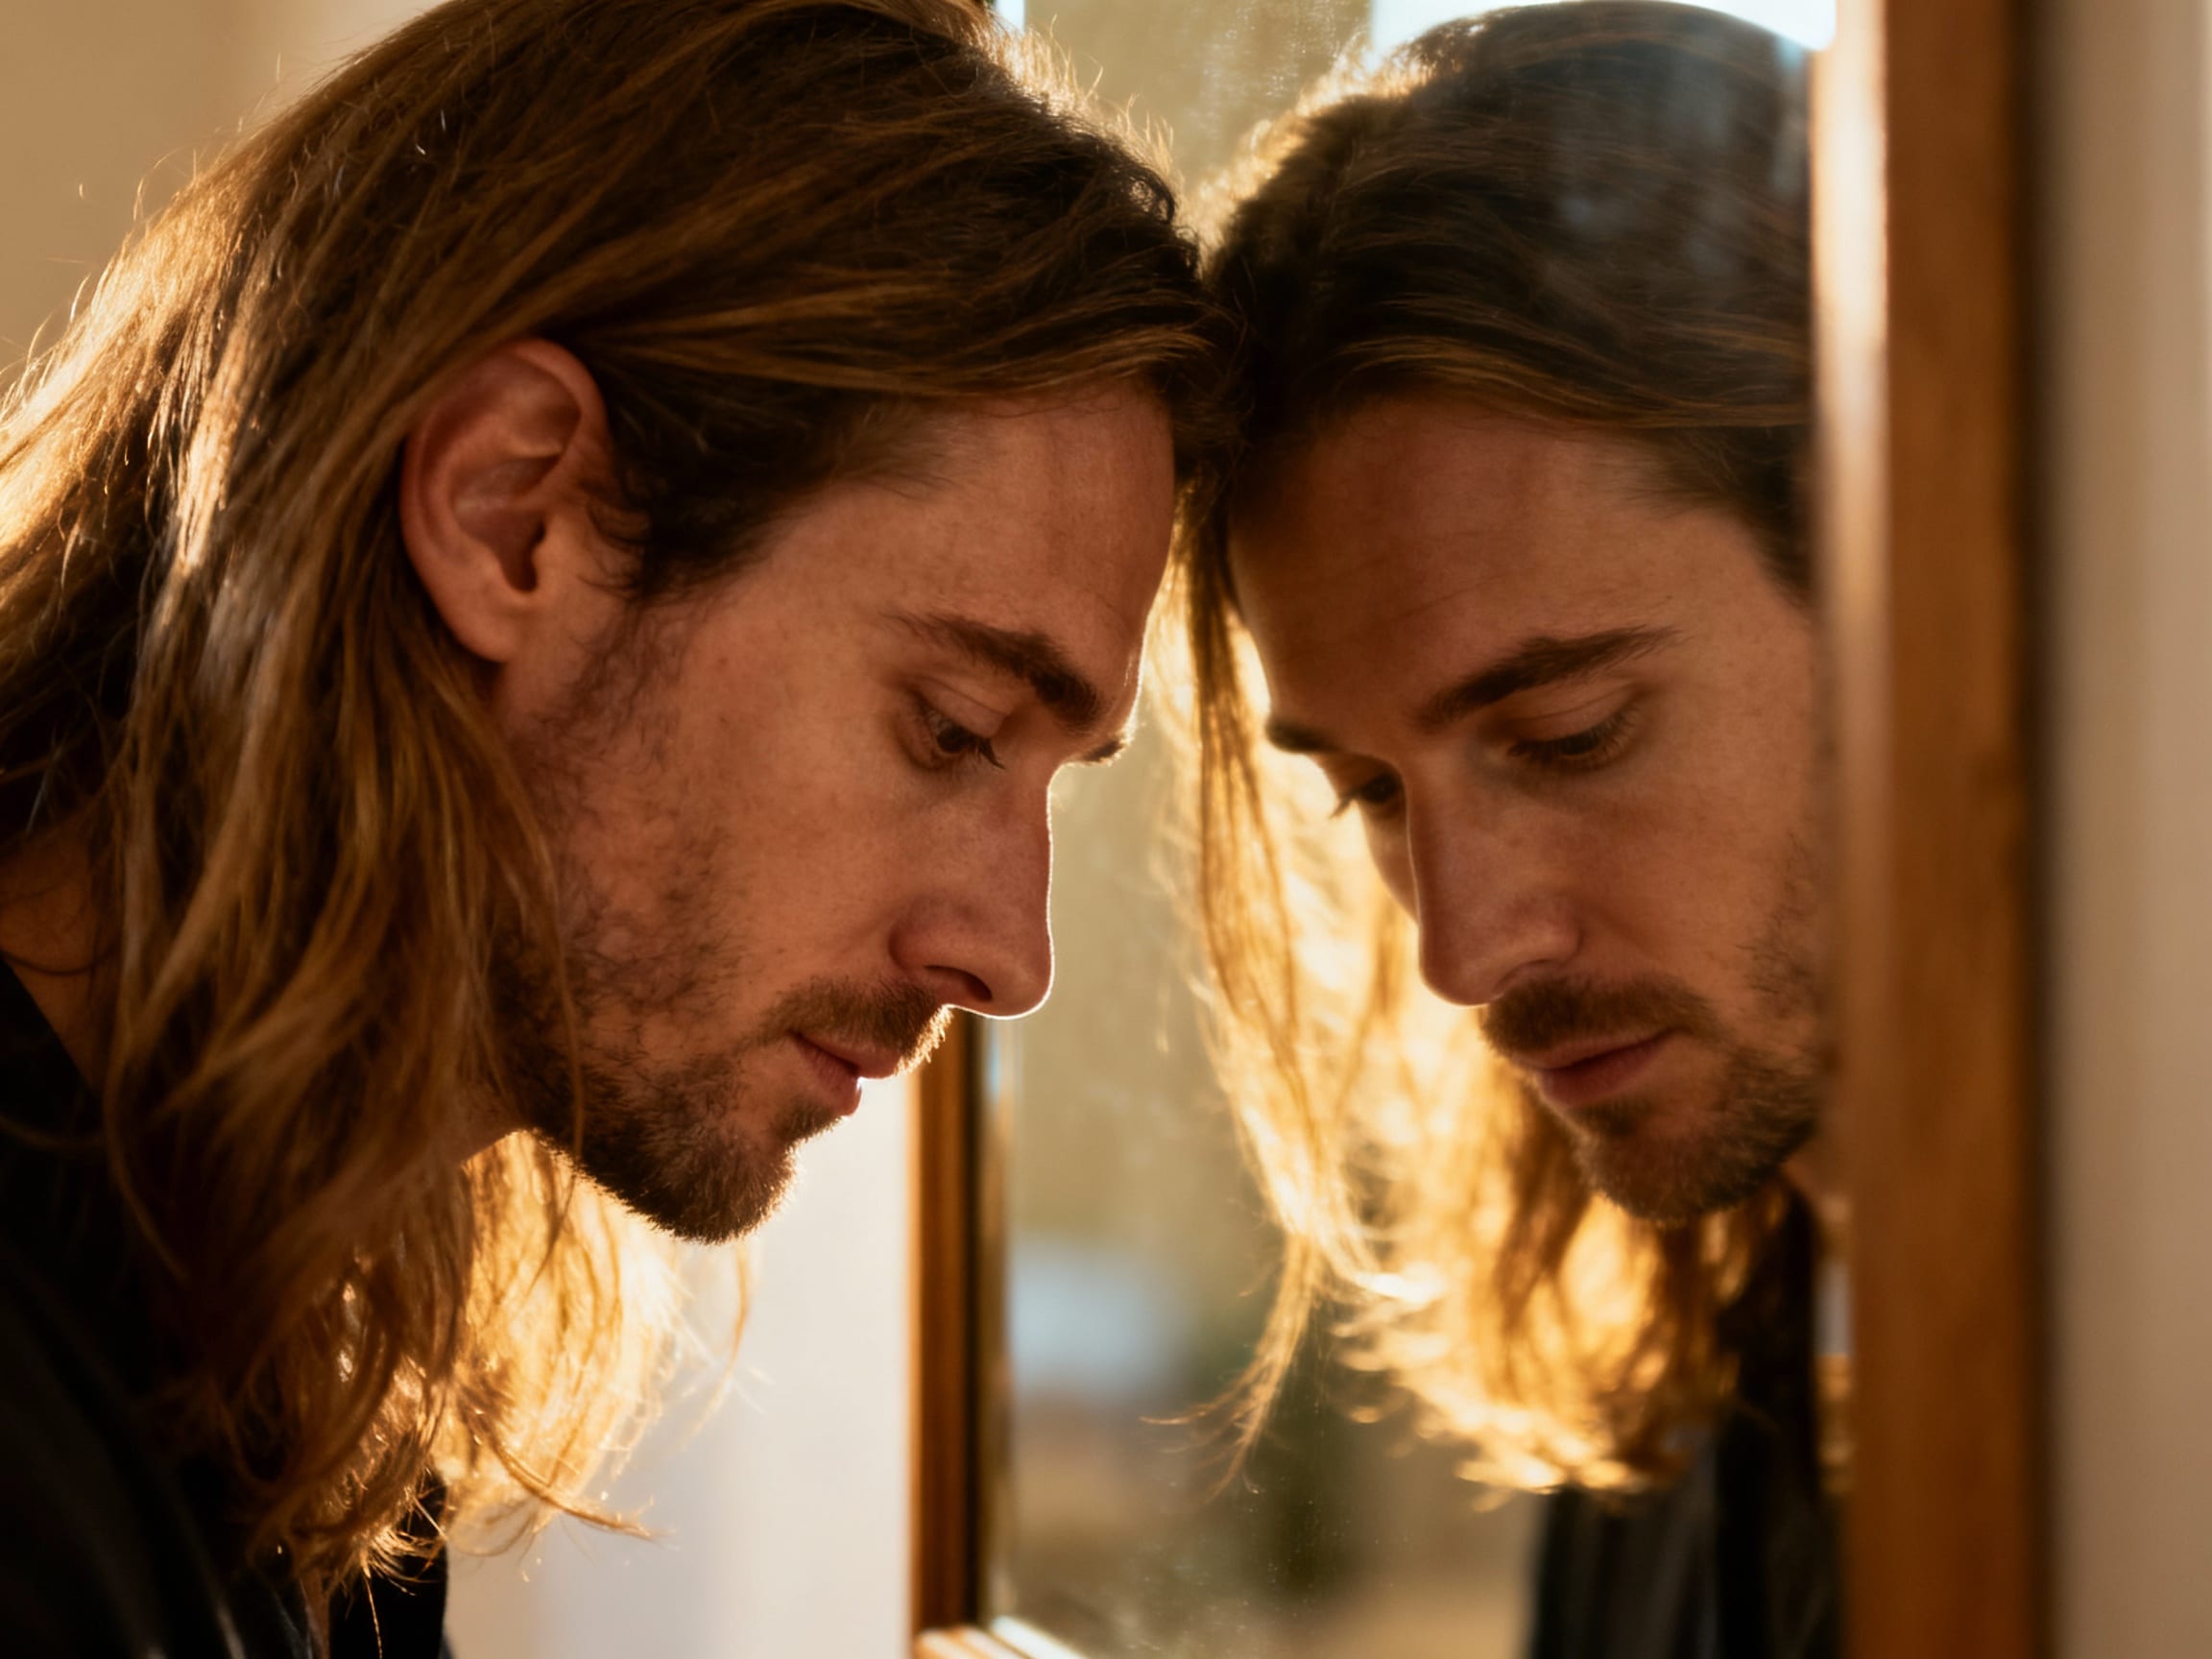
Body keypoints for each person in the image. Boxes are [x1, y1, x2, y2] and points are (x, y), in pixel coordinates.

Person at [0, 0, 1227, 1649]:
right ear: (514, 516)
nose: (1008, 955)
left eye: (1051, 775)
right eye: (949, 728)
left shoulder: (272, 1360)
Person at [1183, 6, 1837, 1655]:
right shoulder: (1663, 1432)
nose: (1467, 952)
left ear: (1899, 586)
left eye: (1569, 736)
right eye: (1372, 792)